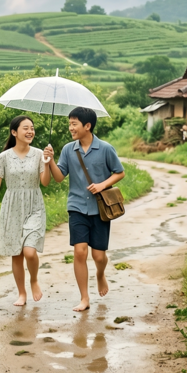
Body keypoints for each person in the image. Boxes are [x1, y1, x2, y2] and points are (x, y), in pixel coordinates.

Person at [43, 107, 125, 312]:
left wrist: (102, 185)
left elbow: (119, 172)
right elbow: (59, 177)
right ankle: (84, 298)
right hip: (77, 207)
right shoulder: (68, 150)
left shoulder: (105, 148)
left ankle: (100, 274)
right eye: (69, 123)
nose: (70, 127)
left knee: (98, 256)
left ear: (87, 126)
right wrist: (50, 160)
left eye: (74, 124)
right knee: (80, 252)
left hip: (100, 209)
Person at [0, 115, 50, 306]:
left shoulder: (38, 154)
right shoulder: (4, 157)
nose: (30, 131)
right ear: (14, 132)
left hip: (34, 205)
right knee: (16, 253)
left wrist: (48, 162)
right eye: (25, 128)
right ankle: (21, 293)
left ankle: (34, 280)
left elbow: (45, 182)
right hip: (11, 207)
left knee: (29, 251)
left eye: (32, 128)